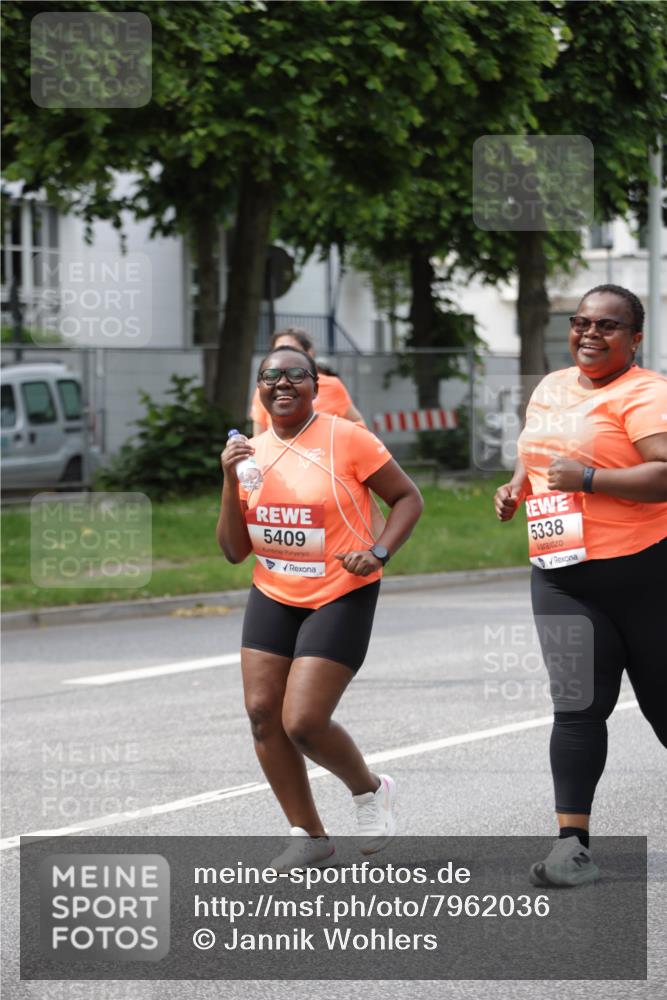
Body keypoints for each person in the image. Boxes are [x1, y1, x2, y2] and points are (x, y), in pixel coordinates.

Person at [218, 345, 424, 871]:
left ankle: (370, 791)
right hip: (273, 590)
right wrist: (227, 478)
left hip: (341, 587)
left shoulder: (345, 438)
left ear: (316, 385)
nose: (282, 384)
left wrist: (378, 551)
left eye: (295, 376)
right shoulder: (250, 453)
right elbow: (234, 550)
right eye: (270, 376)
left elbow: (408, 498)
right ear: (258, 389)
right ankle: (308, 834)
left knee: (304, 720)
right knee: (264, 715)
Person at [494, 283, 667, 887]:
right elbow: (539, 454)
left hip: (644, 571)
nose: (590, 334)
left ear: (635, 338)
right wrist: (518, 485)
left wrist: (591, 478)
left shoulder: (646, 392)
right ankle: (573, 846)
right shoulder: (551, 386)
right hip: (560, 573)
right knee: (576, 709)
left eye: (608, 326)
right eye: (581, 323)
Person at [250, 327, 365, 436]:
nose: (282, 384)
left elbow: (357, 423)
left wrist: (337, 442)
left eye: (292, 350)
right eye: (278, 350)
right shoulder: (266, 389)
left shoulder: (332, 385)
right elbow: (259, 435)